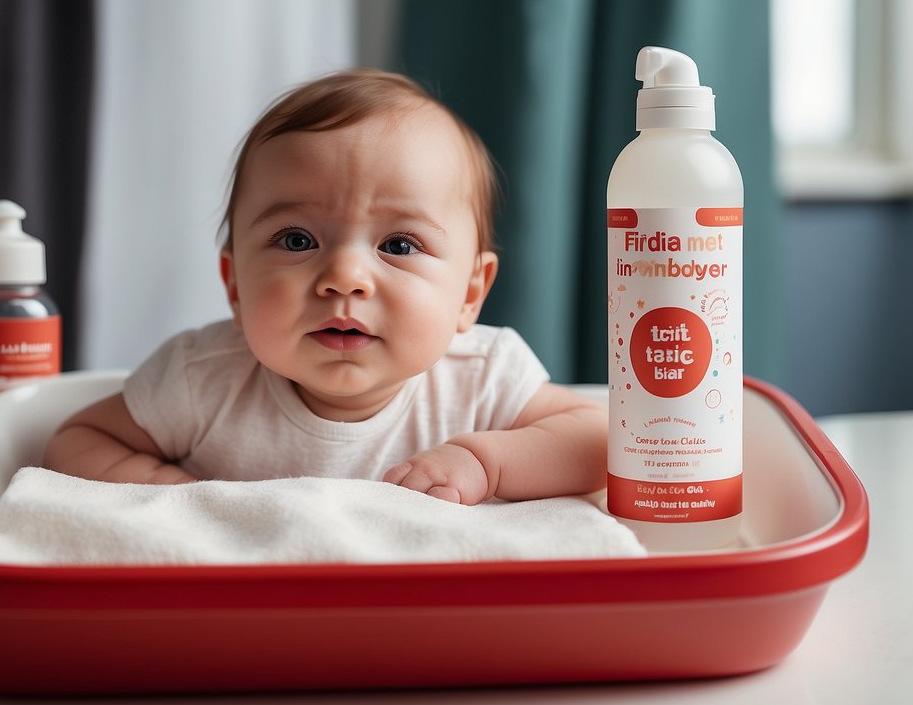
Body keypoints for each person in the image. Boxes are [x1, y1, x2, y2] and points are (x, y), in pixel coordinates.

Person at [44, 69, 606, 505]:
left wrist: (487, 464)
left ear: (468, 294)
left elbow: (602, 437)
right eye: (295, 240)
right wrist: (174, 495)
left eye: (399, 246)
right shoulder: (202, 379)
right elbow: (78, 439)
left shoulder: (482, 376)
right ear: (235, 285)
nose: (344, 277)